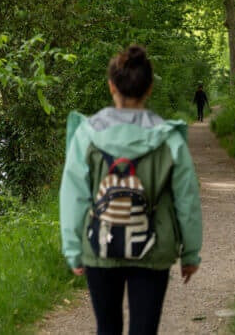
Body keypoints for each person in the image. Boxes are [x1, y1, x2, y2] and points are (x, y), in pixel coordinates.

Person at [59, 44, 203, 335]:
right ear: (149, 88)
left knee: (107, 328)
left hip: (100, 246)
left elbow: (73, 196)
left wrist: (74, 249)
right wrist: (190, 253)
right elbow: (186, 200)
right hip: (154, 248)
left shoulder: (87, 134)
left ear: (112, 86)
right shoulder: (168, 138)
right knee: (144, 329)